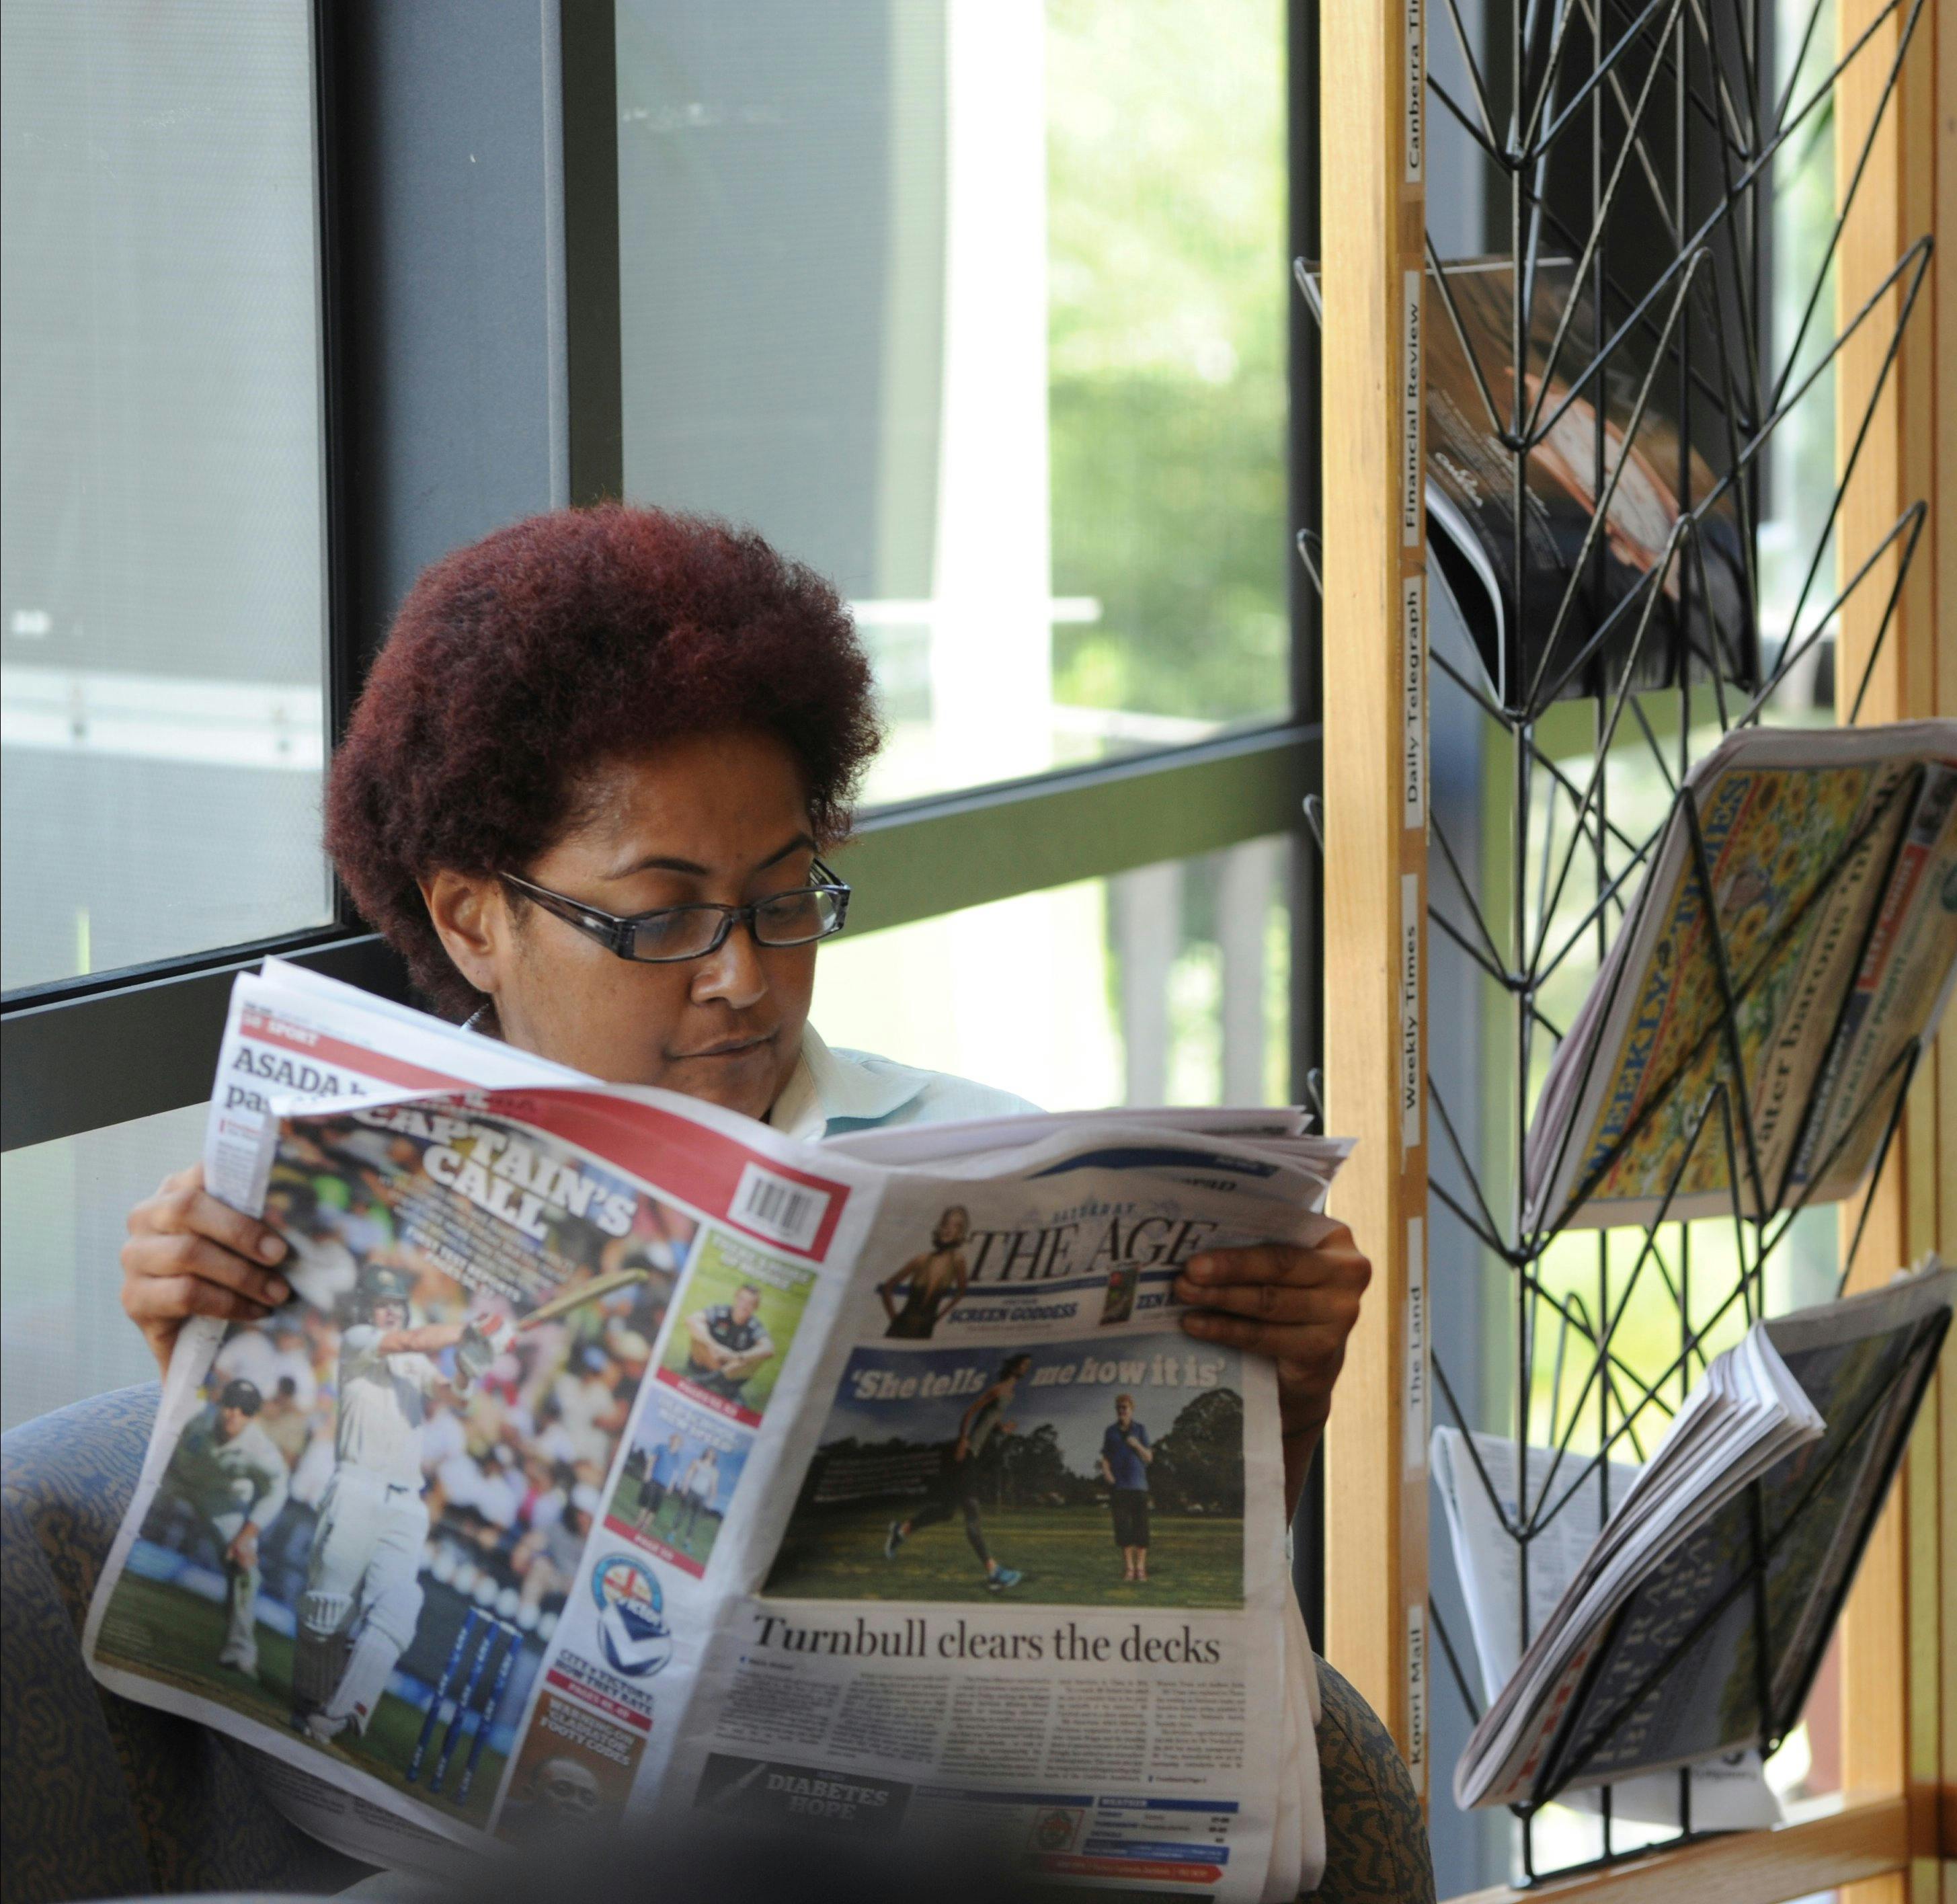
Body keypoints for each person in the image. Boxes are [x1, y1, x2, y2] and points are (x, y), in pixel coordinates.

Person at [116, 504, 1369, 1527]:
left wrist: (1293, 1393)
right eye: (662, 919)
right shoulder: (332, 1208)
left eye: (782, 900)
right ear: (471, 920)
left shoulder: (1003, 1166)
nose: (741, 978)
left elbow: (1164, 1645)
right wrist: (198, 1361)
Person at [294, 1265, 512, 1747]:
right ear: (365, 1309)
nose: (391, 1311)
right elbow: (408, 1341)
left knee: (400, 1602)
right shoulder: (357, 1341)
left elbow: (454, 1397)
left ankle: (345, 1712)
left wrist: (467, 1368)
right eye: (381, 1304)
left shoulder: (415, 1363)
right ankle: (310, 1701)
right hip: (356, 1486)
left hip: (407, 1500)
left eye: (396, 1304)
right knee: (328, 1610)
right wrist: (469, 1330)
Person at [161, 1377, 293, 1674]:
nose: (235, 1414)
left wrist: (246, 1537)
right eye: (231, 1405)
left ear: (254, 1416)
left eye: (245, 1410)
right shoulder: (195, 1415)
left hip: (219, 1496)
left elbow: (277, 1490)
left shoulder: (260, 1449)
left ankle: (240, 1652)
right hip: (172, 1476)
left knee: (246, 1568)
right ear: (220, 1403)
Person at [885, 1351, 1035, 1591]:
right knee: (972, 1510)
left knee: (946, 1512)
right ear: (1014, 1366)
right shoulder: (998, 1389)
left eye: (1029, 1366)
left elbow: (989, 1418)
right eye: (1024, 1365)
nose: (1026, 1369)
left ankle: (901, 1530)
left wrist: (1001, 1428)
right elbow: (971, 1412)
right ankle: (994, 1572)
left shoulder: (1011, 1394)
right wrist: (963, 1440)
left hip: (975, 1458)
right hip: (967, 1456)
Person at [877, 1207, 973, 1340]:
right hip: (899, 1329)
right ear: (940, 1227)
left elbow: (962, 1291)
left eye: (956, 1226)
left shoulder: (958, 1261)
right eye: (946, 1224)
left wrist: (938, 1317)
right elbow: (887, 1288)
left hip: (925, 1331)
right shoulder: (922, 1259)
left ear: (961, 1233)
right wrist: (894, 1319)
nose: (948, 1229)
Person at [684, 1283, 776, 1405]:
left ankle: (708, 1381)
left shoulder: (753, 1326)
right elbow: (692, 1320)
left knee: (757, 1357)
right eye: (742, 1300)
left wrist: (736, 1356)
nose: (744, 1306)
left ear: (756, 1307)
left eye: (750, 1303)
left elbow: (769, 1348)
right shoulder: (721, 1312)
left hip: (731, 1368)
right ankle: (725, 1386)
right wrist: (714, 1346)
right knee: (698, 1337)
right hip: (709, 1360)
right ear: (736, 1298)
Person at [1099, 1393, 1156, 1583]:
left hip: (1139, 1487)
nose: (1122, 1411)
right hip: (1120, 1488)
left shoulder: (1140, 1429)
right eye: (1119, 1408)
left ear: (1132, 1410)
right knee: (1123, 1530)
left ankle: (1141, 1569)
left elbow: (1149, 1458)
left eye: (1125, 1408)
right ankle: (1130, 1569)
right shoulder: (1110, 1431)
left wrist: (1137, 1445)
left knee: (1141, 1531)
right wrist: (1107, 1473)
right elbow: (1105, 1457)